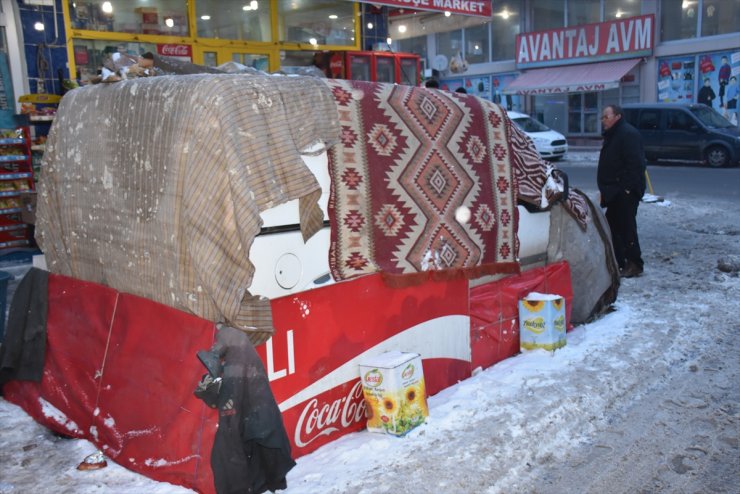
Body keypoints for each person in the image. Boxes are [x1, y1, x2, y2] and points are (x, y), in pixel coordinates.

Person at [597, 104, 646, 278]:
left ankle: (634, 263)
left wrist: (626, 189)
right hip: (613, 191)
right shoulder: (614, 135)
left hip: (624, 192)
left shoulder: (627, 134)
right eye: (603, 117)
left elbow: (636, 165)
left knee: (626, 227)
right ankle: (619, 261)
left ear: (617, 116)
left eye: (606, 116)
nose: (603, 120)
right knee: (613, 227)